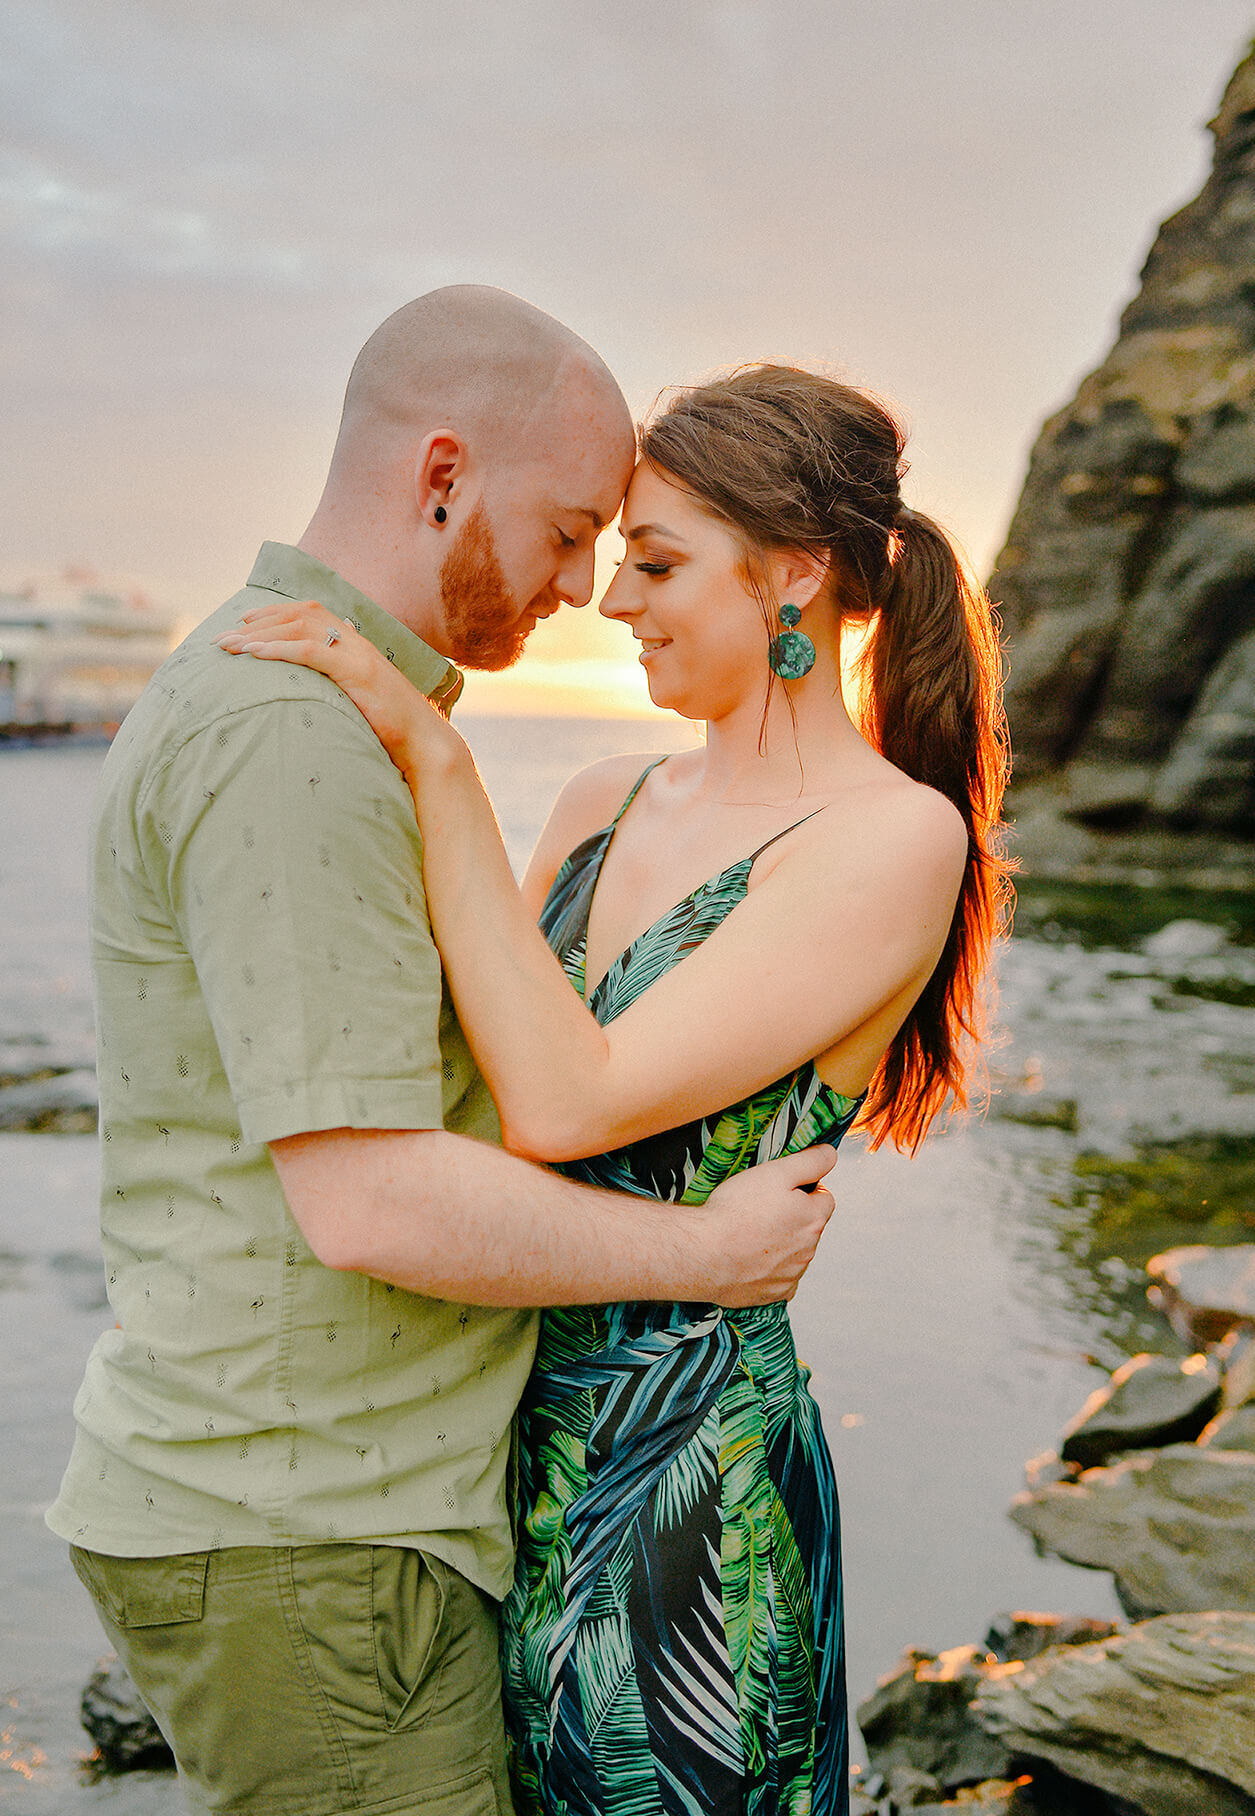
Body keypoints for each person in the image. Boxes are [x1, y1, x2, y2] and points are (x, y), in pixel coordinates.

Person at [48, 291, 838, 1816]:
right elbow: (372, 1203)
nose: (580, 583)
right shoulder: (292, 735)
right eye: (566, 528)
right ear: (443, 476)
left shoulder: (348, 717)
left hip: (326, 1519)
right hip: (308, 1536)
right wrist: (707, 1254)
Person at [218, 361, 1012, 1816]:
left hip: (690, 1493)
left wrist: (436, 756)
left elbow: (565, 1106)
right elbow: (467, 1072)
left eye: (654, 561)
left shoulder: (891, 840)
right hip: (497, 1444)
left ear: (794, 579)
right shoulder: (602, 800)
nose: (609, 596)